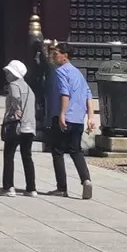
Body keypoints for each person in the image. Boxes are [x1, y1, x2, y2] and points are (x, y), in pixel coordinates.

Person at [48, 42, 95, 200]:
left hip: (65, 117)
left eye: (56, 53)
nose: (53, 56)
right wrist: (91, 117)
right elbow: (89, 95)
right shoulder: (78, 73)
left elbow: (64, 94)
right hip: (78, 119)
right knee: (76, 151)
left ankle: (62, 188)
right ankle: (86, 179)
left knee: (58, 151)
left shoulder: (61, 71)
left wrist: (62, 114)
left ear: (64, 56)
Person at [0, 59, 36, 196]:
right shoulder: (29, 88)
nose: (7, 74)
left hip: (16, 125)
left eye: (8, 72)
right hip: (29, 127)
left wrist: (16, 109)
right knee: (27, 156)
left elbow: (15, 97)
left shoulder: (14, 85)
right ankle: (31, 188)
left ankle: (9, 187)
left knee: (9, 156)